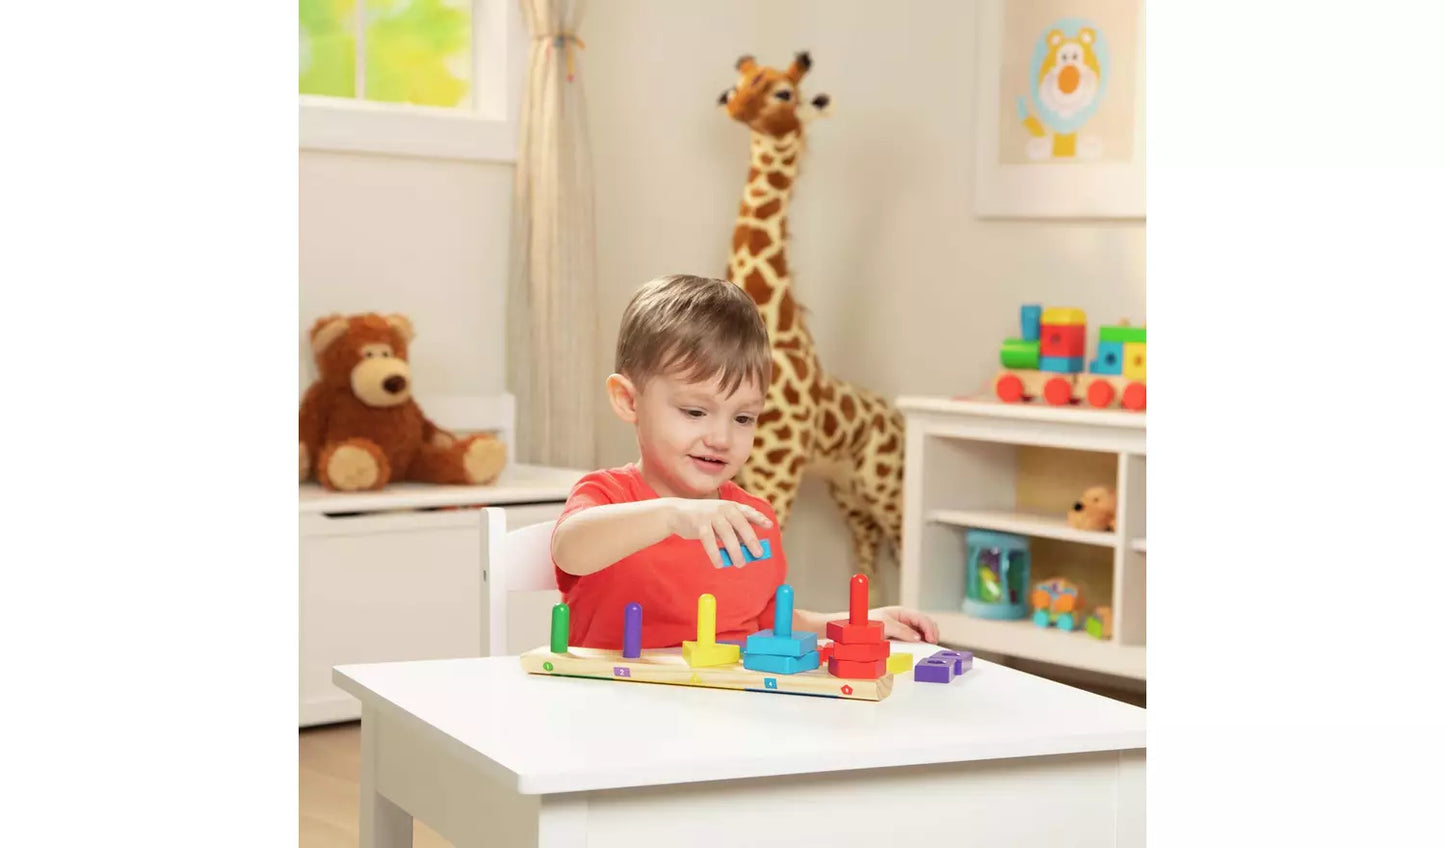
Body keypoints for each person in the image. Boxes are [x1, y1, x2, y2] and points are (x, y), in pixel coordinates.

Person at [550, 273, 939, 650]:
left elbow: (765, 623)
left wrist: (852, 623)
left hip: (722, 712)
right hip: (614, 708)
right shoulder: (608, 495)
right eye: (694, 412)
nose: (721, 438)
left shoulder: (753, 520)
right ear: (629, 400)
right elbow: (570, 549)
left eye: (743, 418)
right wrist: (671, 515)